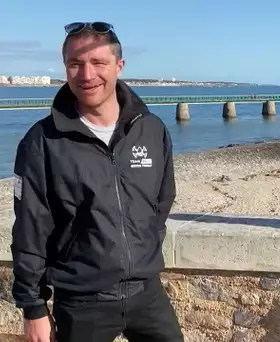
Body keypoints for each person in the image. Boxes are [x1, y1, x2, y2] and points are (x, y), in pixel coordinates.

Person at [11, 22, 183, 342]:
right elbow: (29, 230)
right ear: (66, 69)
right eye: (76, 64)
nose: (87, 75)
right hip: (82, 303)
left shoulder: (151, 129)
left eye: (98, 63)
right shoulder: (42, 141)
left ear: (119, 66)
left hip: (147, 294)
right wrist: (33, 307)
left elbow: (161, 203)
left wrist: (142, 255)